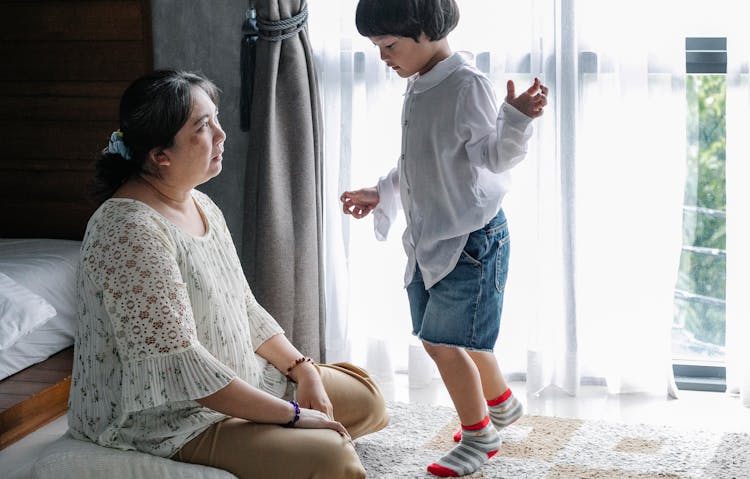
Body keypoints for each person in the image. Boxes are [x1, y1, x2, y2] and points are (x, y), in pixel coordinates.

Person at [68, 69, 388, 479]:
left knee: (370, 398)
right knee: (333, 458)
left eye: (215, 119)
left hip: (240, 380)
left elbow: (243, 307)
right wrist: (289, 415)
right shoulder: (128, 230)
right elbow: (179, 368)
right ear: (159, 155)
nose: (221, 135)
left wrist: (303, 370)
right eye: (203, 127)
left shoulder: (201, 204)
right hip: (170, 418)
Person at [340, 1, 547, 477]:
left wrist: (515, 120)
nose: (383, 57)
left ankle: (480, 435)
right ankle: (500, 403)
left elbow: (492, 158)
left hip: (470, 240)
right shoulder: (420, 84)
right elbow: (421, 160)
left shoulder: (465, 84)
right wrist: (382, 190)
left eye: (389, 46)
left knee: (442, 341)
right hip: (432, 235)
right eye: (376, 47)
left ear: (425, 32)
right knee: (459, 336)